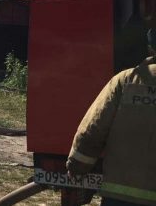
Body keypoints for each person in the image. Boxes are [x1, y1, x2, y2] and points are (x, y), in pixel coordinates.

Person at [66, 29, 156, 206]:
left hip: (120, 196)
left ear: (150, 48)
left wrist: (77, 167)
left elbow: (94, 127)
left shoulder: (125, 81)